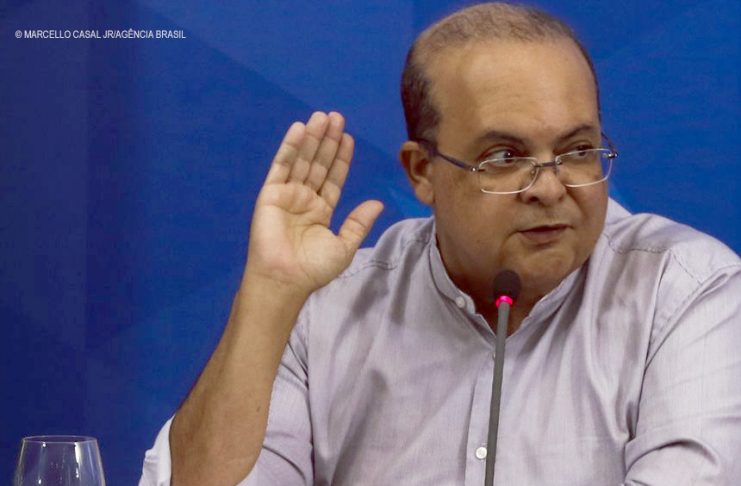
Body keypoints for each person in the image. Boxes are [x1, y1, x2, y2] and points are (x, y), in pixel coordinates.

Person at [140, 3, 741, 485]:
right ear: (422, 172)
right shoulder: (327, 307)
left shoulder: (686, 291)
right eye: (504, 157)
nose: (550, 187)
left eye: (577, 150)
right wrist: (269, 297)